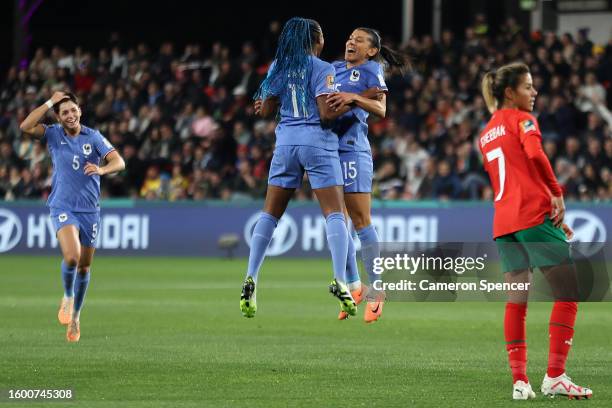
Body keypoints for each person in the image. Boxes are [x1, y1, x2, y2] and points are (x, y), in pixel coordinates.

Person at [479, 62, 592, 400]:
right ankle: (555, 376)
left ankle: (520, 381)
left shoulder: (486, 132)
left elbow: (514, 177)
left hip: (505, 224)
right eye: (528, 87)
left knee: (516, 303)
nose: (534, 92)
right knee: (569, 295)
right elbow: (534, 154)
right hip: (532, 217)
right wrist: (556, 194)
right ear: (510, 93)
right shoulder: (521, 119)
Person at [240, 17, 360, 318]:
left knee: (269, 214)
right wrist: (350, 104)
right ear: (316, 41)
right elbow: (324, 114)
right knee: (335, 213)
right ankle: (340, 279)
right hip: (317, 143)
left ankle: (251, 275)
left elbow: (265, 109)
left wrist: (266, 106)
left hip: (285, 144)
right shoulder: (323, 68)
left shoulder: (278, 65)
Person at [20, 91, 125, 342]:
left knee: (85, 266)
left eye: (73, 110)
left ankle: (76, 316)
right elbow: (25, 126)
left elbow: (119, 162)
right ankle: (67, 296)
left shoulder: (94, 136)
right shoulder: (54, 134)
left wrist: (101, 168)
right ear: (58, 116)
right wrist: (48, 102)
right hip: (63, 206)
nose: (70, 115)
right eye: (64, 112)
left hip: (90, 210)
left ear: (80, 111)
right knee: (72, 256)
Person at [326, 27, 409, 322]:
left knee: (360, 220)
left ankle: (377, 288)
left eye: (359, 40)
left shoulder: (372, 70)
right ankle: (354, 285)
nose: (351, 41)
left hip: (352, 150)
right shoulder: (333, 68)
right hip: (327, 151)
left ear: (372, 50)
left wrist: (354, 98)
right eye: (349, 37)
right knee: (338, 221)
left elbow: (381, 109)